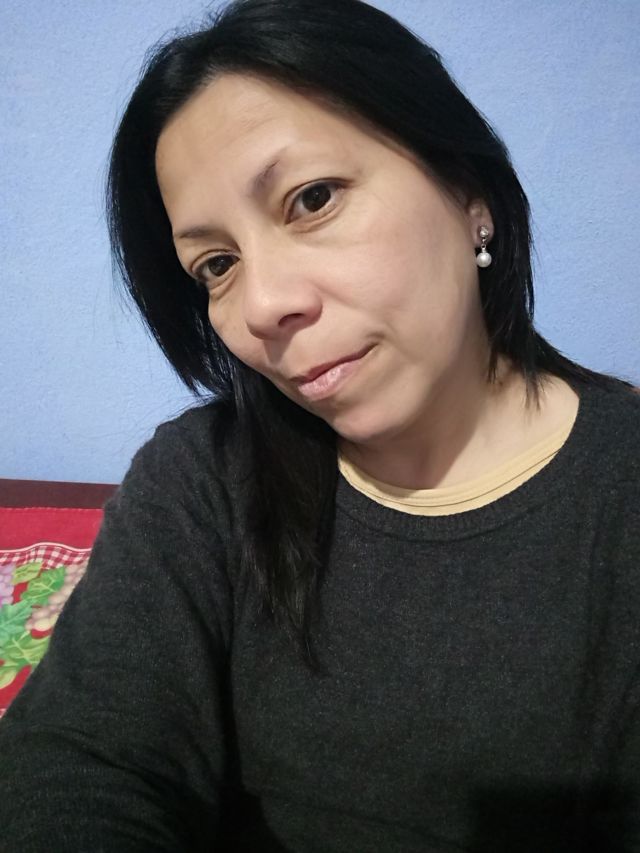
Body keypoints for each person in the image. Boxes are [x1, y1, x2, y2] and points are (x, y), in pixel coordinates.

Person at [1, 0, 638, 850]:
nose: (263, 305)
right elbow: (81, 763)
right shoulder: (201, 477)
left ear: (468, 194)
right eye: (216, 264)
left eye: (312, 199)